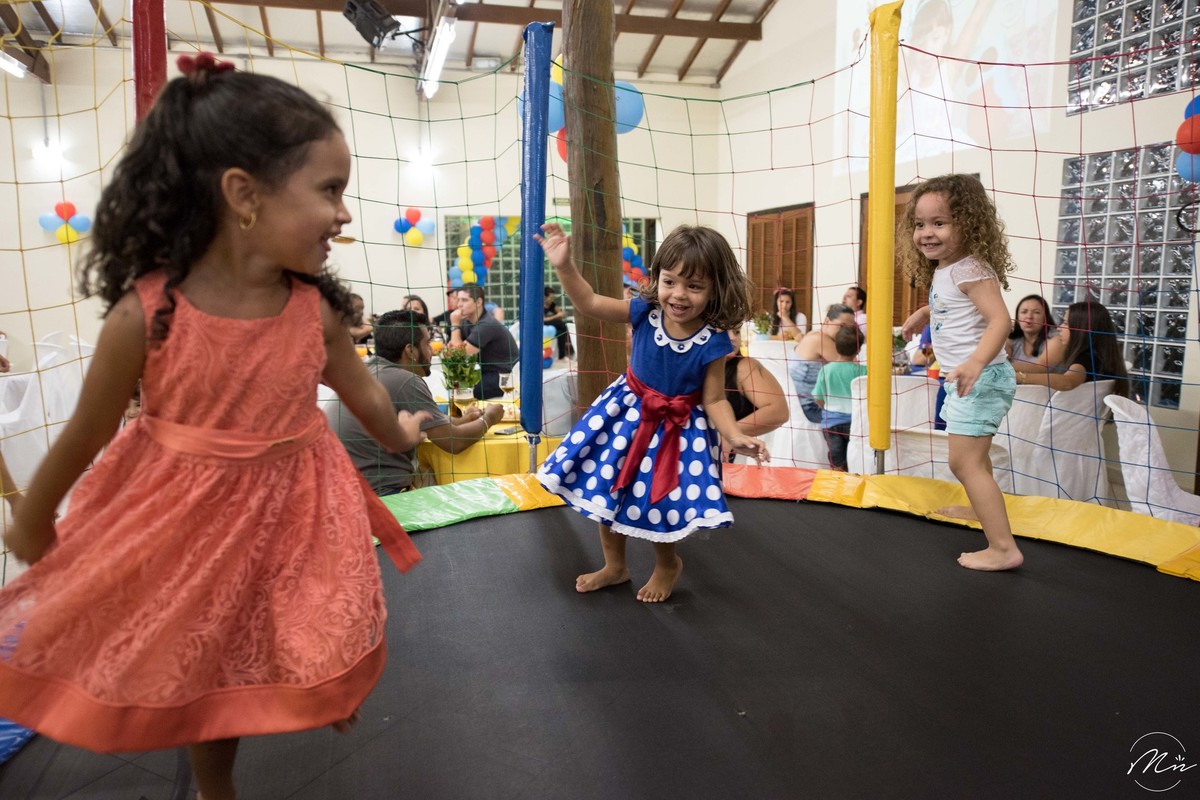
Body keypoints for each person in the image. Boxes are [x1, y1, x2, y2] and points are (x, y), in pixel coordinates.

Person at [0, 54, 430, 800]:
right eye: (330, 190)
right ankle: (216, 789)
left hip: (294, 510)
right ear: (244, 195)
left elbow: (371, 409)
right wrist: (34, 521)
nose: (344, 212)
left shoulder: (316, 314)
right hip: (184, 518)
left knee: (302, 628)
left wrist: (408, 432)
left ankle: (314, 692)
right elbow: (86, 433)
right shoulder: (147, 314)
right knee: (200, 663)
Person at [534, 222, 769, 603]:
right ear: (657, 278)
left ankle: (667, 564)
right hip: (627, 414)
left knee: (661, 501)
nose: (678, 294)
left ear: (715, 290)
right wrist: (564, 266)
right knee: (609, 490)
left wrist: (733, 434)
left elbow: (714, 399)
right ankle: (615, 566)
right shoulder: (644, 311)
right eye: (670, 281)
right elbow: (590, 302)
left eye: (694, 286)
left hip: (678, 429)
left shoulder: (713, 341)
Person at [900, 173, 1022, 572]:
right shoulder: (950, 268)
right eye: (920, 224)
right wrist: (925, 312)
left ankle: (1003, 548)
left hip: (979, 377)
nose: (926, 233)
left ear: (969, 223)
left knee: (963, 463)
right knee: (976, 459)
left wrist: (975, 362)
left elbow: (1000, 320)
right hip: (969, 378)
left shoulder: (969, 268)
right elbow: (956, 305)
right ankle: (979, 509)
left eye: (940, 223)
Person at [328, 309, 504, 495]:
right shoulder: (405, 380)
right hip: (379, 496)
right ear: (410, 350)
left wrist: (464, 419)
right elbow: (454, 442)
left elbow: (428, 423)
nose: (431, 351)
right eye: (427, 344)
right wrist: (490, 418)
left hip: (341, 492)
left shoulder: (368, 370)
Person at [1014, 299, 1131, 397]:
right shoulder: (1100, 355)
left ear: (1081, 329)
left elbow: (1068, 382)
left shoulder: (1086, 359)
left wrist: (1019, 377)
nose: (1059, 328)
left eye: (1065, 323)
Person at [724, 328, 789, 457]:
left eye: (737, 331)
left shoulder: (745, 367)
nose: (733, 337)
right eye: (724, 331)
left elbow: (779, 412)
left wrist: (729, 434)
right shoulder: (694, 366)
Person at [448, 284, 518, 400]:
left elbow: (460, 353)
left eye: (464, 300)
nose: (459, 304)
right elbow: (453, 350)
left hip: (505, 376)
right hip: (486, 372)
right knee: (454, 386)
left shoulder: (487, 324)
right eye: (458, 300)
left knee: (466, 392)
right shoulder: (467, 322)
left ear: (479, 302)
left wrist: (454, 325)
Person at [789, 303, 856, 423]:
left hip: (806, 403)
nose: (846, 332)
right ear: (827, 321)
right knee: (863, 417)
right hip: (811, 407)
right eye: (842, 326)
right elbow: (850, 371)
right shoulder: (820, 340)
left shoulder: (815, 334)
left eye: (850, 328)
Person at [812, 325, 867, 471]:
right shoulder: (863, 371)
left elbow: (818, 397)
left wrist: (827, 408)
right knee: (854, 458)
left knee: (837, 462)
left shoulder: (826, 369)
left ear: (836, 346)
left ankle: (837, 488)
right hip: (855, 424)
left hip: (831, 423)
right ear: (859, 350)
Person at [1006, 293, 1060, 371]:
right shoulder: (1012, 339)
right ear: (1017, 318)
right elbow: (997, 361)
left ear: (1045, 317)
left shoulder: (1056, 338)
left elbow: (1040, 369)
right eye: (1024, 312)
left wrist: (1002, 369)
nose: (1029, 316)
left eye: (1036, 312)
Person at [543, 286, 574, 360]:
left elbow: (560, 312)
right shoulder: (540, 306)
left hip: (553, 328)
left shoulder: (553, 305)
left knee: (561, 333)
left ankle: (561, 356)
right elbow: (543, 320)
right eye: (551, 297)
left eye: (553, 297)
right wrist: (556, 316)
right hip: (544, 325)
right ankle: (569, 349)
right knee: (562, 325)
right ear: (545, 296)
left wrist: (561, 313)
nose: (552, 299)